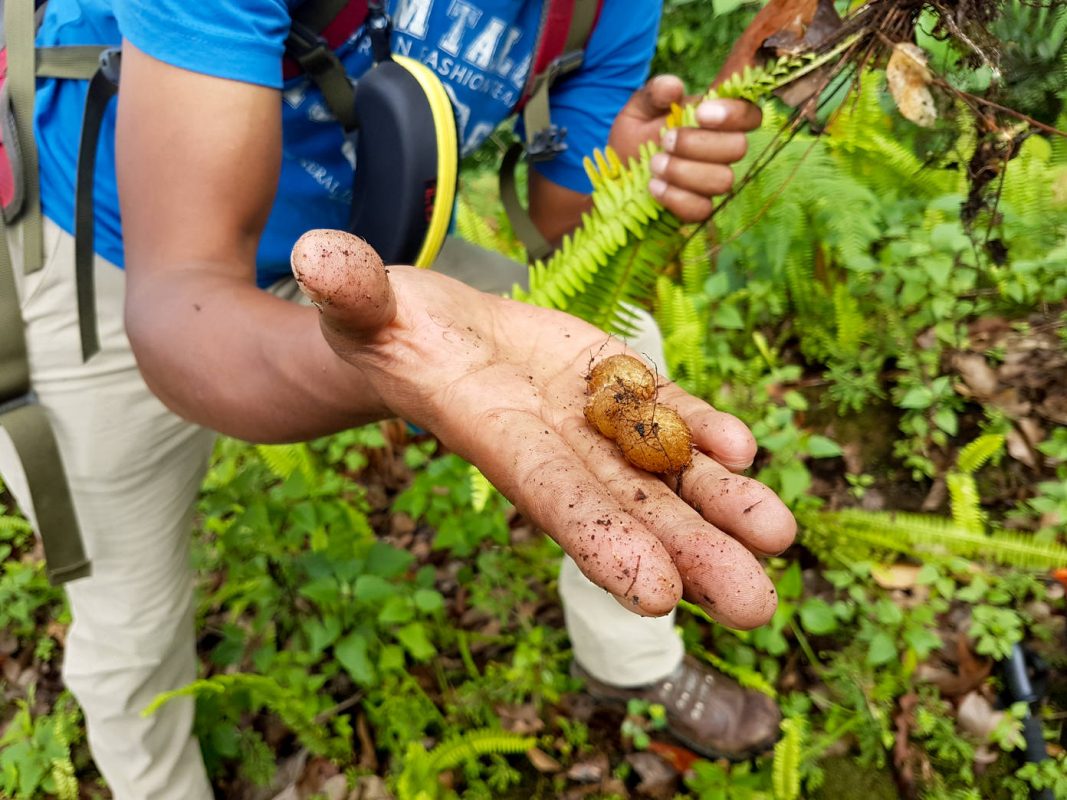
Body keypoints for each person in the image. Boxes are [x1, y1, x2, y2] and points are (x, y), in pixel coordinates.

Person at [0, 0, 796, 796]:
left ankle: (631, 660)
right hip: (115, 245)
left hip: (372, 236)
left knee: (623, 355)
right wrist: (391, 361)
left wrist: (637, 166)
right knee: (127, 606)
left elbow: (564, 225)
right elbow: (182, 303)